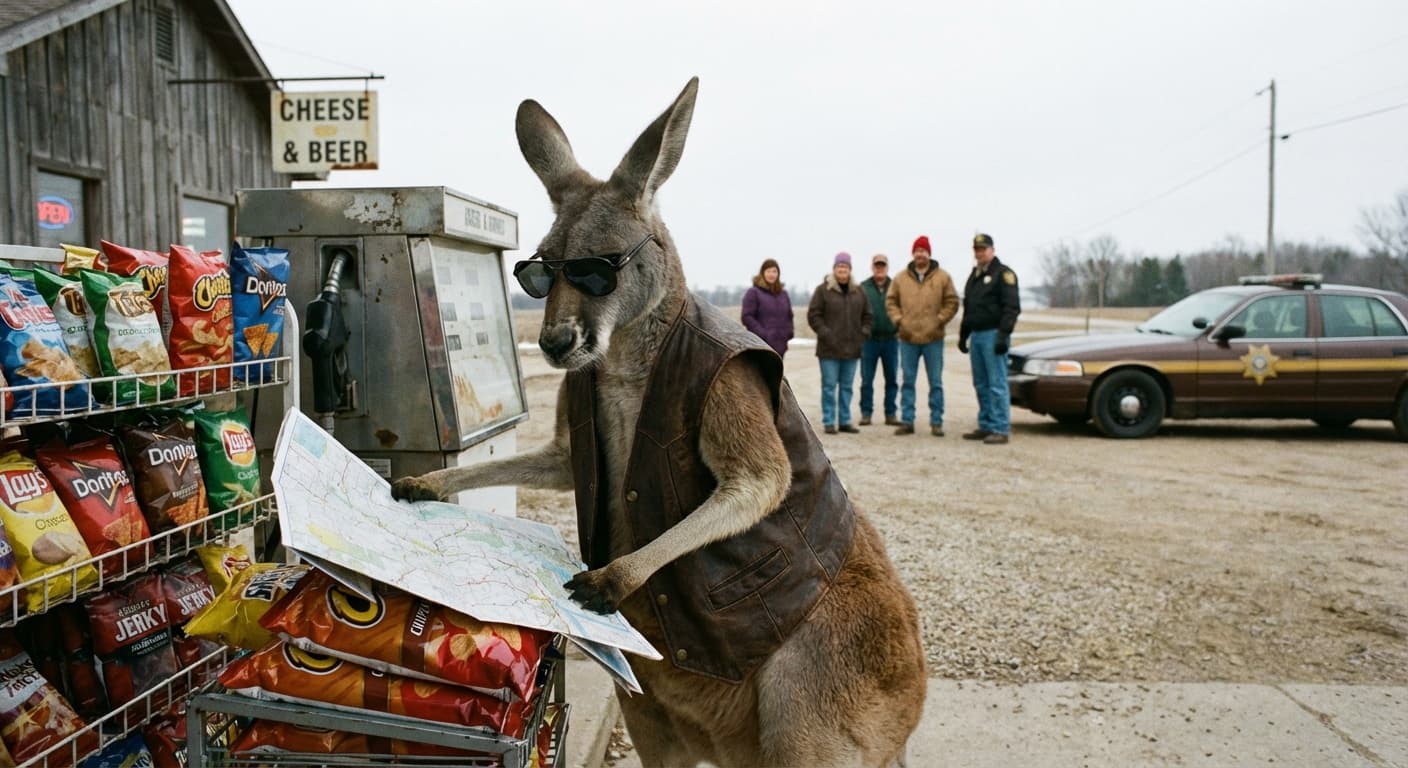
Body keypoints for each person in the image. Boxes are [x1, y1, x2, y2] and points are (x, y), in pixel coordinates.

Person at [885, 235, 959, 437]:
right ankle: (907, 421)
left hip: (933, 338)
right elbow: (891, 302)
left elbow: (952, 301)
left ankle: (937, 421)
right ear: (913, 253)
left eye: (923, 251)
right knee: (908, 382)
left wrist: (940, 319)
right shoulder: (900, 279)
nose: (920, 254)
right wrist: (899, 321)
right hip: (908, 339)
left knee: (935, 382)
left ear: (929, 253)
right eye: (917, 250)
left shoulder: (942, 277)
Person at [958, 233, 1021, 445]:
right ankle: (986, 424)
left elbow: (1011, 307)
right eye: (976, 249)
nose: (979, 253)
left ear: (992, 250)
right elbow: (969, 308)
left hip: (994, 334)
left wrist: (1004, 335)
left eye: (983, 249)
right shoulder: (974, 276)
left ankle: (1000, 428)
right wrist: (964, 334)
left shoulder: (1003, 274)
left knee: (996, 384)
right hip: (976, 335)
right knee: (981, 383)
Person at [808, 252, 872, 434]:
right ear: (834, 269)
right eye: (839, 267)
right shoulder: (823, 290)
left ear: (850, 270)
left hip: (852, 350)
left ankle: (845, 420)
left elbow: (868, 315)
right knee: (829, 387)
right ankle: (829, 421)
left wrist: (864, 333)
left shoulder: (859, 291)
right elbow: (814, 315)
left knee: (847, 388)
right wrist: (826, 333)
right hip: (829, 350)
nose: (842, 270)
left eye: (845, 267)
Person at [858, 253, 899, 426]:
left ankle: (890, 413)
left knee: (892, 379)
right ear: (872, 267)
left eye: (882, 265)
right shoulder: (863, 287)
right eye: (877, 265)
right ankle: (866, 413)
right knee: (867, 379)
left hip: (891, 339)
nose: (879, 268)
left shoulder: (896, 286)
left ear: (887, 267)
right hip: (870, 341)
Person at [741, 258, 794, 357]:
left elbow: (789, 316)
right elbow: (747, 316)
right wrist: (763, 334)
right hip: (760, 346)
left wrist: (788, 333)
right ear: (762, 273)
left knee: (777, 372)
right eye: (768, 271)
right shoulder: (754, 292)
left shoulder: (783, 294)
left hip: (780, 345)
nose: (771, 274)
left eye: (774, 271)